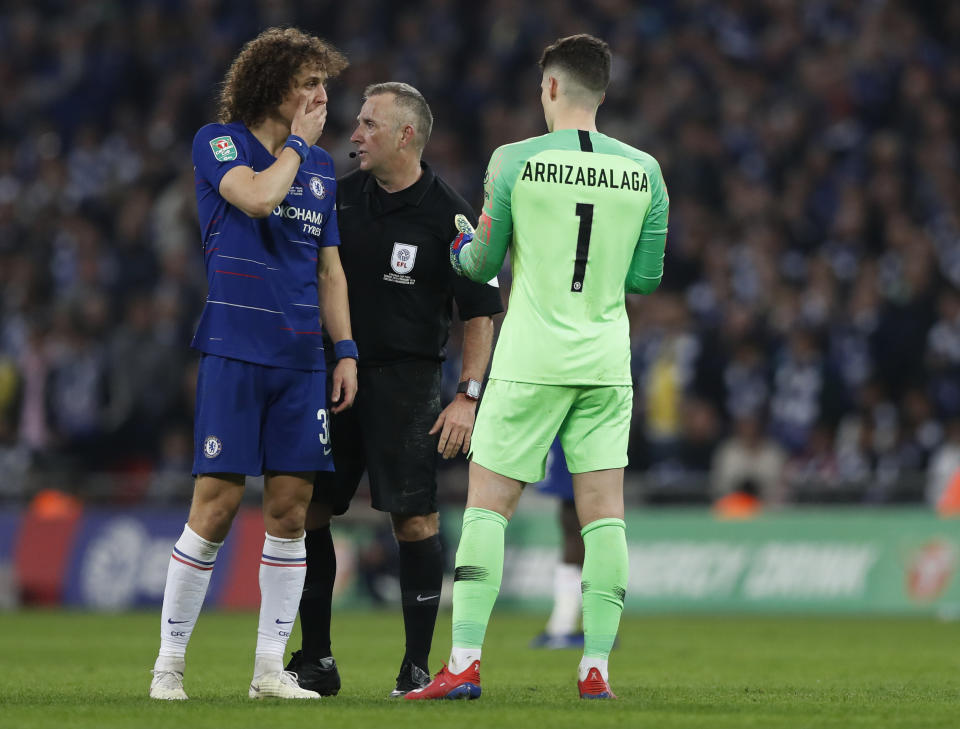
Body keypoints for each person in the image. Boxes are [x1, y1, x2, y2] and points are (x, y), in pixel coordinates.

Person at [408, 34, 669, 701]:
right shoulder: (646, 171)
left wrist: (464, 240)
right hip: (607, 362)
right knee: (603, 516)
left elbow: (477, 265)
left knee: (488, 507)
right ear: (601, 92)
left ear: (549, 89)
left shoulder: (515, 161)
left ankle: (464, 662)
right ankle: (596, 669)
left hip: (530, 360)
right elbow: (645, 276)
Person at [148, 27, 356, 701]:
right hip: (236, 348)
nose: (322, 98)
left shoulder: (323, 170)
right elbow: (258, 198)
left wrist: (344, 349)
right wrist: (297, 146)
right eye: (310, 84)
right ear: (274, 85)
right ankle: (168, 665)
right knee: (215, 505)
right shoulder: (218, 142)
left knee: (291, 510)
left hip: (300, 360)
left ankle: (270, 670)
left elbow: (330, 269)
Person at [284, 82, 502, 698]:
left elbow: (481, 311)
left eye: (368, 126)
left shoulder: (450, 215)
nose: (354, 135)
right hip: (333, 375)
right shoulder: (337, 199)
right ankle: (317, 661)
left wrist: (467, 394)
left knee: (414, 520)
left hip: (408, 384)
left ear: (405, 136)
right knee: (309, 513)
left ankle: (414, 666)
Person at [528, 439, 586, 649]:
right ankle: (565, 622)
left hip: (577, 430)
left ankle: (565, 624)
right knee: (571, 521)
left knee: (578, 523)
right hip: (569, 432)